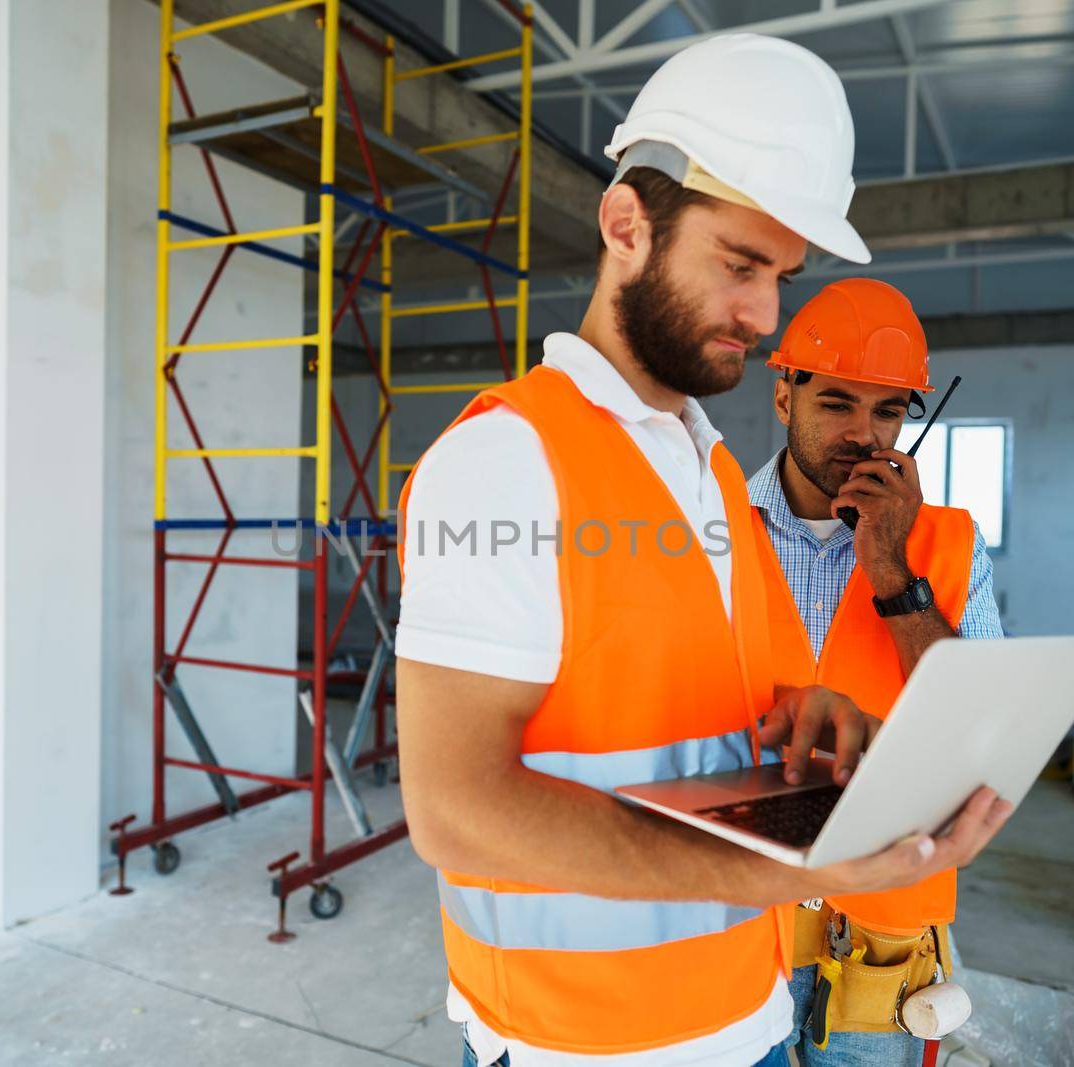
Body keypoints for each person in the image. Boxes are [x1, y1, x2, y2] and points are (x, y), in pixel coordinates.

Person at [393, 34, 1014, 1067]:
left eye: (779, 275)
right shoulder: (508, 460)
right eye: (737, 264)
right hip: (583, 1040)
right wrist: (785, 871)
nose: (764, 314)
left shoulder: (710, 469)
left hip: (745, 1009)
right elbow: (455, 814)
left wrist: (795, 710)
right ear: (626, 223)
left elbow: (690, 701)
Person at [747, 277, 1005, 1065]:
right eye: (837, 403)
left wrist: (893, 569)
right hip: (739, 916)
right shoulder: (706, 526)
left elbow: (982, 734)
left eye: (889, 410)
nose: (866, 434)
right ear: (784, 396)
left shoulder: (952, 545)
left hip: (886, 929)